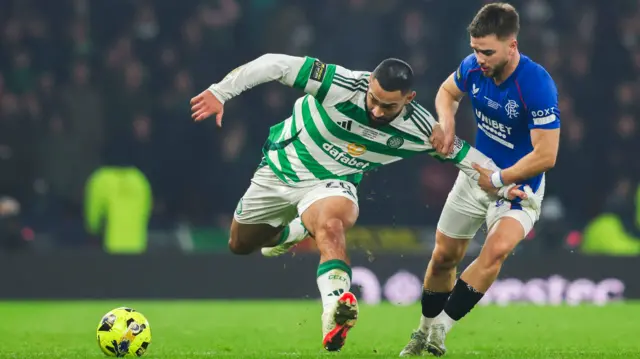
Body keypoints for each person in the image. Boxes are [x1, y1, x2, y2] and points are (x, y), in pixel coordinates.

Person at [190, 54, 531, 352]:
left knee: (331, 225)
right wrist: (221, 92)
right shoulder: (337, 83)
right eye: (374, 100)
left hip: (331, 186)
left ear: (409, 99)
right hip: (280, 168)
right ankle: (292, 231)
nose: (378, 110)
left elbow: (469, 159)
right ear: (369, 83)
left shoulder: (421, 128)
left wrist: (504, 185)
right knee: (241, 243)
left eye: (389, 106)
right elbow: (274, 64)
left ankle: (334, 311)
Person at [399, 3, 560, 357]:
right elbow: (446, 92)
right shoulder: (473, 67)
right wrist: (448, 122)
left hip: (519, 185)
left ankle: (441, 329)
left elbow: (546, 155)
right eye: (475, 49)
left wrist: (500, 178)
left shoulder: (536, 84)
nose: (479, 58)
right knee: (443, 257)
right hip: (475, 175)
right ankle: (422, 332)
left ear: (512, 46)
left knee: (497, 249)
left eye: (487, 51)